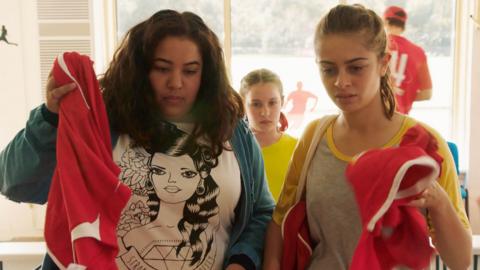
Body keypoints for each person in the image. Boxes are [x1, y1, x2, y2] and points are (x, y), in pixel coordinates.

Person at [0, 10, 274, 270]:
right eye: (162, 68)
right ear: (140, 69)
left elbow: (261, 212)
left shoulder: (233, 130)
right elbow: (16, 183)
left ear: (207, 74)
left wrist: (243, 261)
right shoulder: (101, 123)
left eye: (190, 71)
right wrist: (50, 117)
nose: (176, 83)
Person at [263, 4, 471, 270]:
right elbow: (279, 222)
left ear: (384, 63)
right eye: (329, 70)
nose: (341, 82)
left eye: (356, 68)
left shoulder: (422, 144)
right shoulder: (314, 137)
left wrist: (438, 202)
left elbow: (461, 260)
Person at [239, 68, 297, 201]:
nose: (265, 112)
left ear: (282, 101)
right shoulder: (233, 151)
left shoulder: (298, 149)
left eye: (272, 103)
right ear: (243, 104)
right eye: (256, 104)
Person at [383, 5, 432, 114]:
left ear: (385, 22)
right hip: (402, 120)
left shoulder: (377, 48)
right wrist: (405, 96)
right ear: (404, 25)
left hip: (375, 118)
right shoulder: (418, 52)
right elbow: (427, 93)